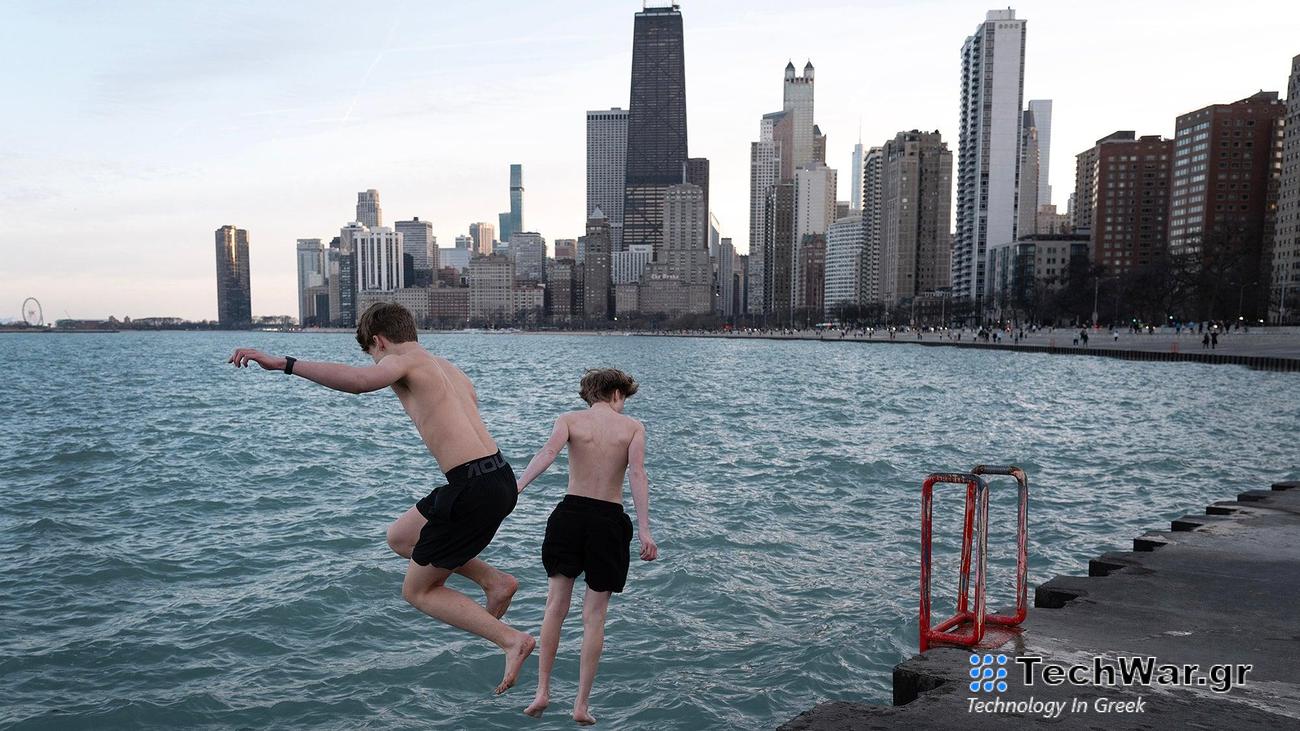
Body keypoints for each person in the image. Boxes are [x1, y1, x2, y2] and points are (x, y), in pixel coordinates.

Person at [227, 302, 534, 694]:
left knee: (418, 591)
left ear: (379, 341)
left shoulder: (401, 361)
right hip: (497, 475)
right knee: (402, 538)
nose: (376, 363)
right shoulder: (448, 369)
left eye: (373, 355)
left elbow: (357, 381)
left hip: (472, 487)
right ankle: (495, 581)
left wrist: (283, 363)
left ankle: (512, 640)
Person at [515, 368, 658, 726]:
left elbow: (547, 454)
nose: (624, 404)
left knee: (554, 606)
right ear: (615, 394)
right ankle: (581, 704)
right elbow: (637, 475)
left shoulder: (569, 420)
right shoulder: (633, 428)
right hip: (609, 521)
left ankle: (542, 690)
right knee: (594, 617)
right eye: (624, 397)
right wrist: (644, 530)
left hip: (570, 516)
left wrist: (516, 489)